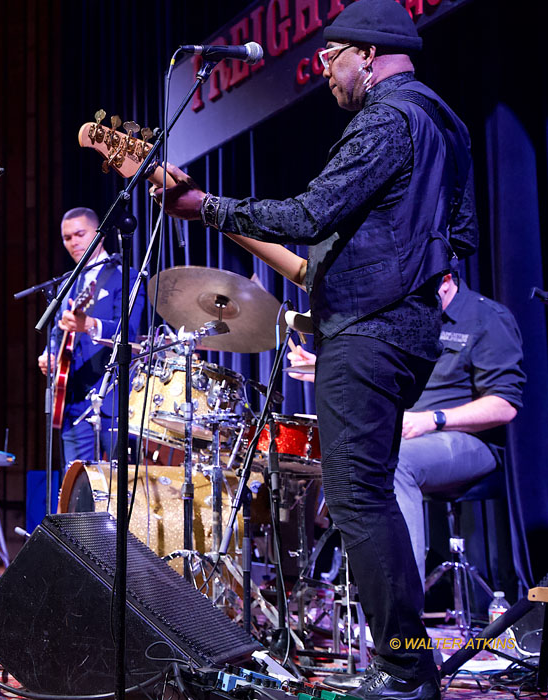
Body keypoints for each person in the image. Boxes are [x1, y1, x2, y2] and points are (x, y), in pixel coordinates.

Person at [155, 1, 477, 697]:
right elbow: (456, 238)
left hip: (374, 330)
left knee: (360, 501)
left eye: (329, 57)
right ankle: (409, 664)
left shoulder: (390, 117)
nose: (323, 71)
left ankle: (404, 668)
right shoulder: (445, 123)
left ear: (366, 53)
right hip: (401, 330)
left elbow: (308, 215)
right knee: (369, 500)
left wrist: (206, 207)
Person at [288, 270, 524, 583]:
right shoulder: (409, 317)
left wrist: (431, 420)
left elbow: (504, 406)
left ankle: (402, 602)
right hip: (403, 435)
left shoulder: (486, 317)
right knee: (334, 459)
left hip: (468, 441)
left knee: (394, 464)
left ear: (446, 279)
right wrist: (325, 369)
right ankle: (318, 587)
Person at [37, 207, 145, 465]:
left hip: (114, 400)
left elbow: (128, 331)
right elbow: (57, 331)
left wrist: (90, 324)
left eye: (79, 234)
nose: (73, 242)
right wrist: (49, 355)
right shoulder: (68, 284)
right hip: (73, 400)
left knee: (124, 484)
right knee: (77, 488)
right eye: (67, 238)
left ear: (99, 235)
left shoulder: (126, 276)